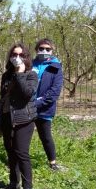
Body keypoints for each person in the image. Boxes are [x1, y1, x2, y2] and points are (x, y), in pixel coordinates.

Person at [0, 43, 39, 189]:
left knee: (21, 152)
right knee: (10, 151)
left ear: (26, 57)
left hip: (24, 118)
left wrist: (20, 73)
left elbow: (27, 94)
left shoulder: (31, 75)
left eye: (21, 55)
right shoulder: (6, 75)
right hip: (7, 117)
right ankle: (13, 182)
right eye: (14, 55)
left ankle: (27, 187)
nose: (17, 58)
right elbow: (3, 98)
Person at [32, 38, 64, 171]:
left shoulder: (56, 67)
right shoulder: (30, 64)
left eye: (48, 49)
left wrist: (38, 103)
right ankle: (18, 160)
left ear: (52, 51)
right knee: (23, 135)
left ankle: (52, 162)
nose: (44, 51)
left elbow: (54, 91)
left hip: (44, 108)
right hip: (26, 107)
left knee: (45, 136)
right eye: (41, 48)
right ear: (36, 50)